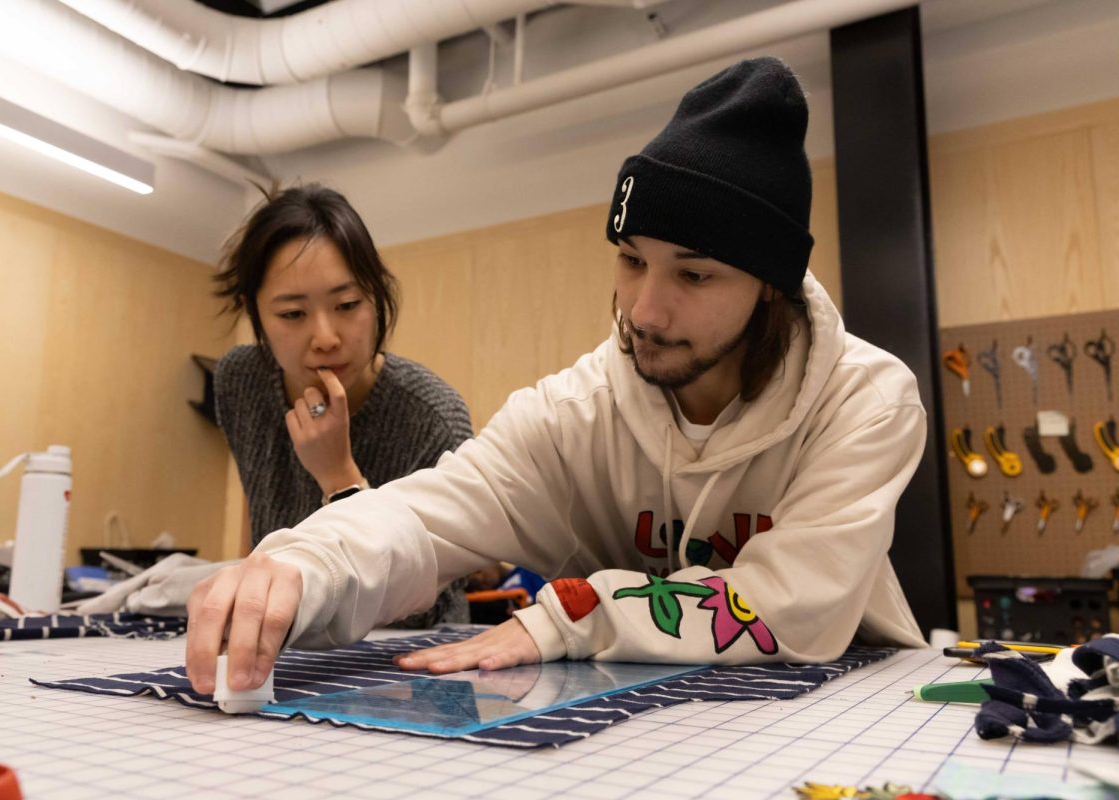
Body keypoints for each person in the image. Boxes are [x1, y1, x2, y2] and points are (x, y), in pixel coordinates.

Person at [186, 57, 928, 696]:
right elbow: (425, 516)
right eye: (631, 259)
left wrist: (572, 612)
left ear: (770, 283)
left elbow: (791, 604)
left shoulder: (865, 401)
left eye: (694, 275)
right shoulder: (577, 412)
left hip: (832, 708)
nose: (645, 310)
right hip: (649, 723)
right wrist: (300, 564)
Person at [211, 183, 474, 629]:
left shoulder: (431, 415)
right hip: (288, 641)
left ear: (377, 295)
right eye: (293, 314)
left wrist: (338, 476)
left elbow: (422, 605)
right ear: (252, 312)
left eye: (347, 304)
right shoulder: (240, 380)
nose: (327, 337)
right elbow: (261, 519)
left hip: (411, 657)